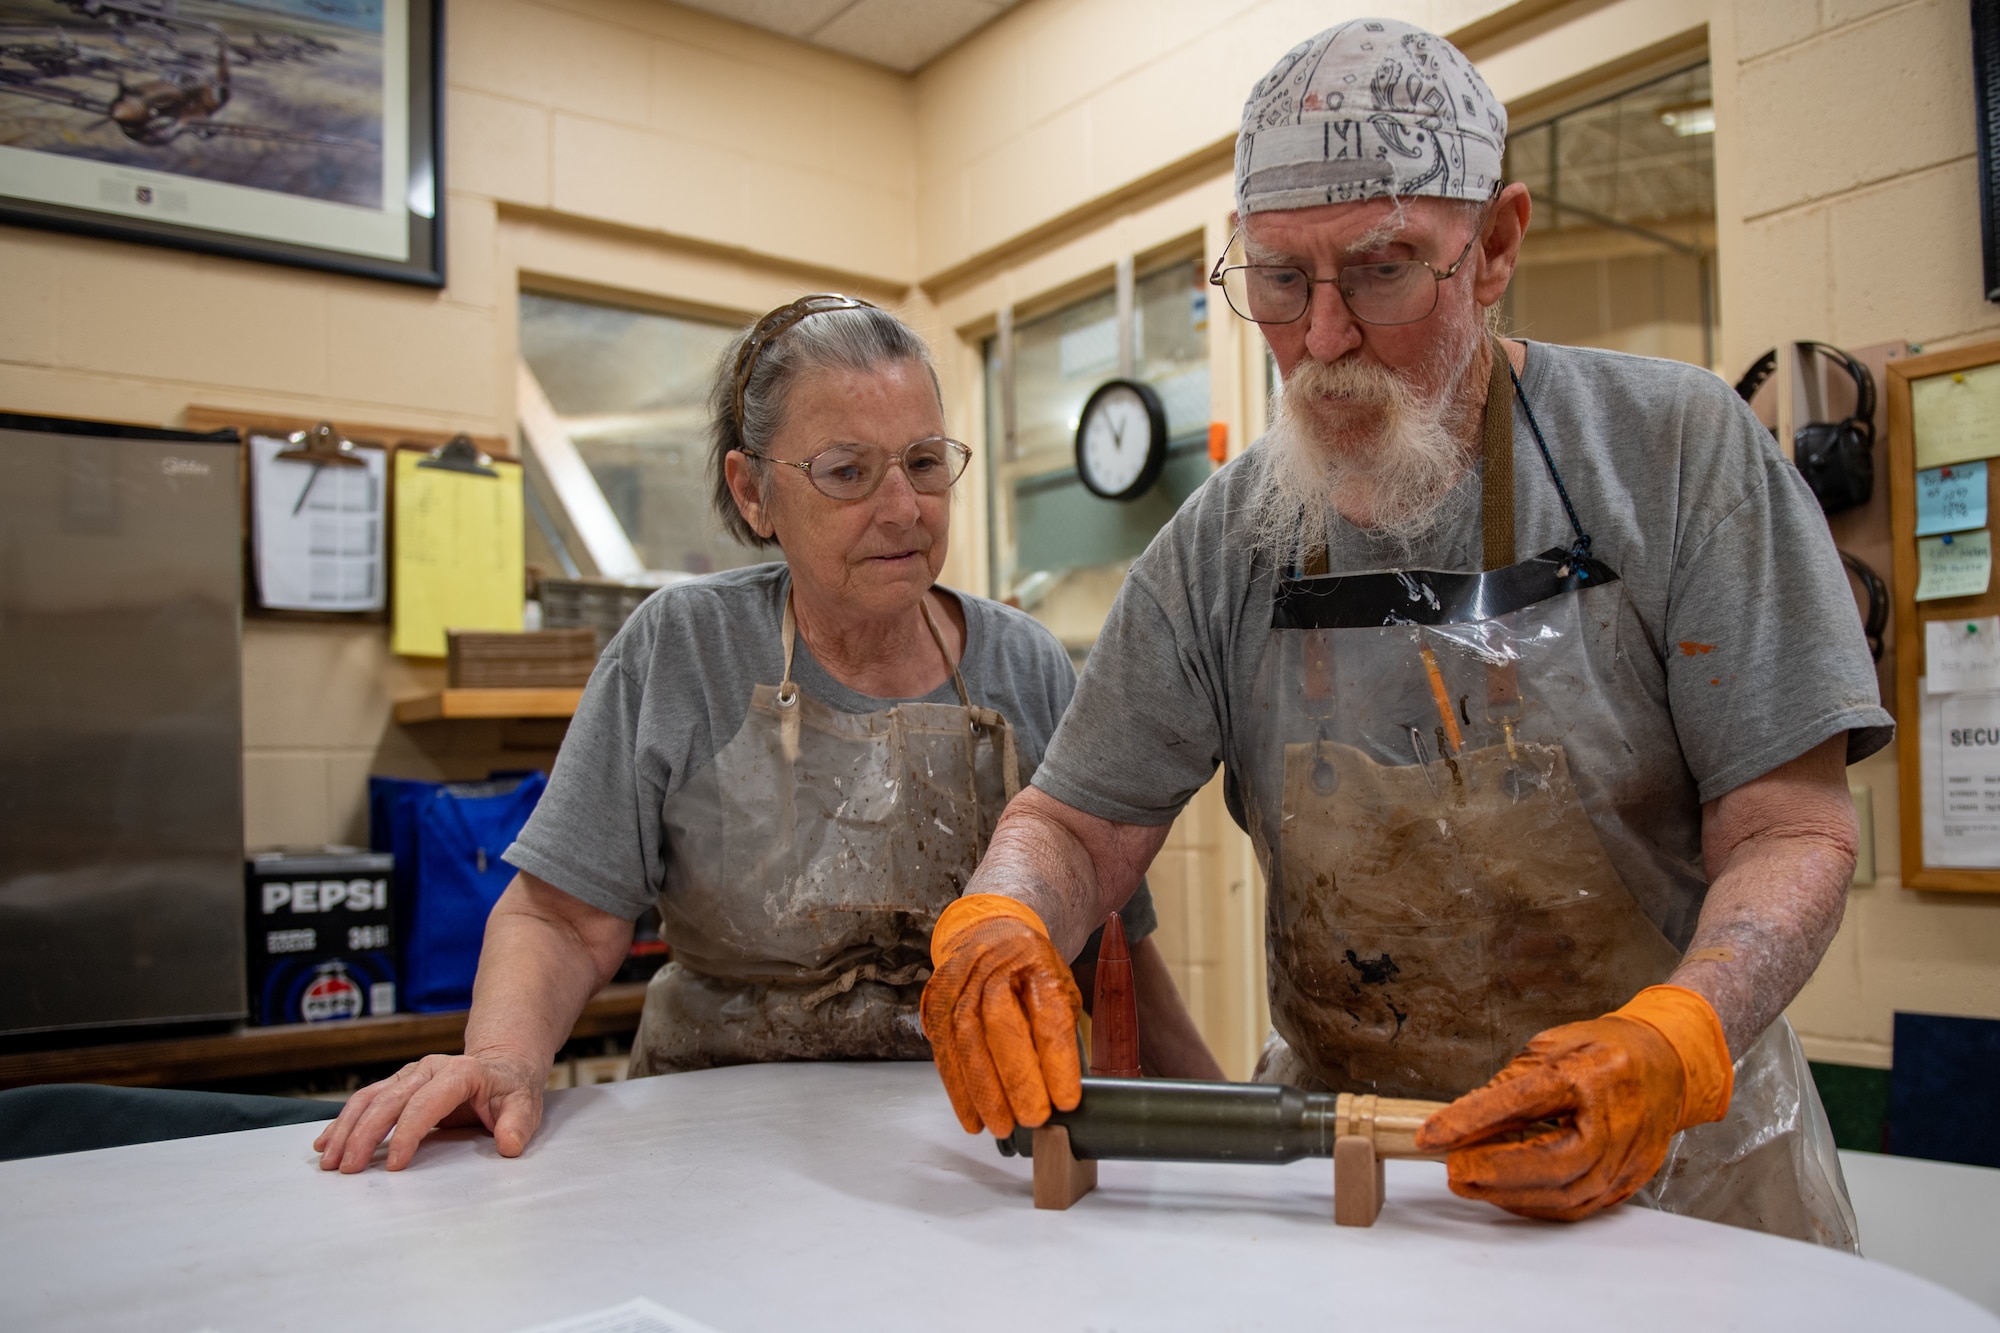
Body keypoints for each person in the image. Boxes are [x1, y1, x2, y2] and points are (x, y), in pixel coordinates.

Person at [919, 20, 1888, 1249]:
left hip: (1678, 1172)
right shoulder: (1227, 541)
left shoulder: (1674, 453)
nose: (1321, 339)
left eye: (1381, 271)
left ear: (1492, 246)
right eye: (1276, 281)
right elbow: (1075, 823)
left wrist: (1673, 1038)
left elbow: (1790, 829)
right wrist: (1003, 919)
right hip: (1361, 1166)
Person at [314, 295, 1221, 1174]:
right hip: (710, 1144)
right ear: (753, 492)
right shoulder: (683, 650)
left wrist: (1217, 1126)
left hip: (965, 1145)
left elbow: (1113, 937)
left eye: (925, 462)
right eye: (847, 472)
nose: (904, 508)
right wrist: (503, 1059)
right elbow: (560, 917)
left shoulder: (1024, 663)